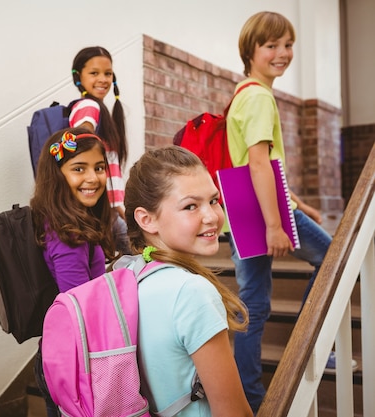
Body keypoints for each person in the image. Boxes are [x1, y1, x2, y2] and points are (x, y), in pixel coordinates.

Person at [225, 11, 338, 413]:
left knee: (253, 305)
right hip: (260, 213)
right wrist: (275, 223)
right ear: (251, 51)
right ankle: (312, 348)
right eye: (271, 45)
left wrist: (299, 205)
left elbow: (262, 166)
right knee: (331, 259)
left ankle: (249, 396)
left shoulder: (244, 93)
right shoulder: (258, 96)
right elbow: (257, 163)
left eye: (287, 44)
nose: (282, 53)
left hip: (245, 209)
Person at [121, 146, 253, 417]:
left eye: (214, 201)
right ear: (147, 219)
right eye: (191, 206)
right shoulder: (191, 292)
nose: (211, 216)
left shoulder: (133, 277)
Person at [30, 127, 114, 416]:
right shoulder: (69, 237)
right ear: (57, 175)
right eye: (79, 168)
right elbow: (80, 312)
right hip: (76, 361)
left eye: (99, 167)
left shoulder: (58, 222)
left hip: (61, 356)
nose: (92, 178)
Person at [69, 46, 131, 255]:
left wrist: (119, 208)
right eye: (94, 73)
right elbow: (81, 142)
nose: (103, 79)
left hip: (111, 212)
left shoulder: (103, 111)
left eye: (108, 73)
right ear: (78, 77)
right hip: (100, 213)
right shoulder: (89, 106)